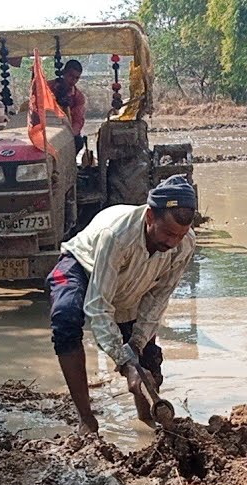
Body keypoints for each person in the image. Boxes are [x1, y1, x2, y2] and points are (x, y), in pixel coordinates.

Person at [47, 175, 197, 435]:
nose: (174, 242)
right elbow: (98, 305)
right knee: (65, 318)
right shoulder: (116, 235)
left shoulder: (183, 244)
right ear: (150, 217)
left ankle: (148, 420)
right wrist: (125, 362)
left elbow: (157, 299)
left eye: (180, 235)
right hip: (84, 266)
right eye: (169, 233)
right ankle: (87, 420)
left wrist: (136, 346)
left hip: (131, 281)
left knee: (147, 361)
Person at [50, 59, 87, 151]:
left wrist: (68, 135)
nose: (73, 80)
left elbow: (78, 121)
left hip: (66, 131)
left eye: (77, 78)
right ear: (64, 73)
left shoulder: (79, 97)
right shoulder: (48, 87)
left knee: (78, 142)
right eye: (71, 76)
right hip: (47, 127)